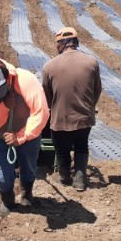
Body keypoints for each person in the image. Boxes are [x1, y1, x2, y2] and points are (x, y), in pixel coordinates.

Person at [0, 57, 49, 219]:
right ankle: (7, 201)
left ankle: (27, 195)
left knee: (28, 168)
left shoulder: (26, 80)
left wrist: (20, 137)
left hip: (28, 135)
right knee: (3, 177)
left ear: (7, 79)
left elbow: (41, 113)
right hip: (0, 137)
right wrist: (4, 106)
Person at [42, 27, 102, 191]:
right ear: (76, 43)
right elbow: (97, 90)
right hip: (84, 118)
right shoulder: (92, 62)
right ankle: (80, 179)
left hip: (60, 118)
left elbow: (46, 94)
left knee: (61, 149)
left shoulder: (49, 66)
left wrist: (53, 109)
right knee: (81, 146)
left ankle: (65, 177)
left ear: (61, 44)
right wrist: (89, 107)